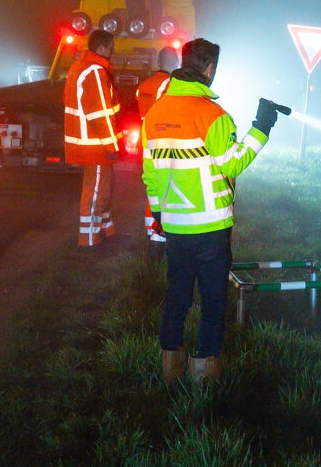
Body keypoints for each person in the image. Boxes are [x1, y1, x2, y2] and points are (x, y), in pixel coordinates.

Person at [142, 38, 281, 384]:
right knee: (213, 301)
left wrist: (158, 213)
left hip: (174, 225)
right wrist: (261, 127)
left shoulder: (154, 114)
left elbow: (150, 172)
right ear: (210, 69)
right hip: (210, 227)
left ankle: (170, 368)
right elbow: (233, 164)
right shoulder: (212, 115)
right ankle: (204, 375)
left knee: (176, 296)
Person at [63, 29, 120, 248]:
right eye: (111, 48)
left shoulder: (78, 67)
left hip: (88, 142)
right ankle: (88, 242)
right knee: (95, 192)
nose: (113, 52)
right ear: (101, 48)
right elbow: (100, 114)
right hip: (95, 145)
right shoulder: (95, 71)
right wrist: (112, 146)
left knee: (103, 188)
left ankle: (107, 230)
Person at [136, 47, 181, 250]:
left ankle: (150, 229)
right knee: (163, 186)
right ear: (175, 62)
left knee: (151, 185)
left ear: (158, 61)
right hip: (161, 141)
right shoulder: (169, 85)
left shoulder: (143, 85)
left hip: (145, 140)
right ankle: (158, 232)